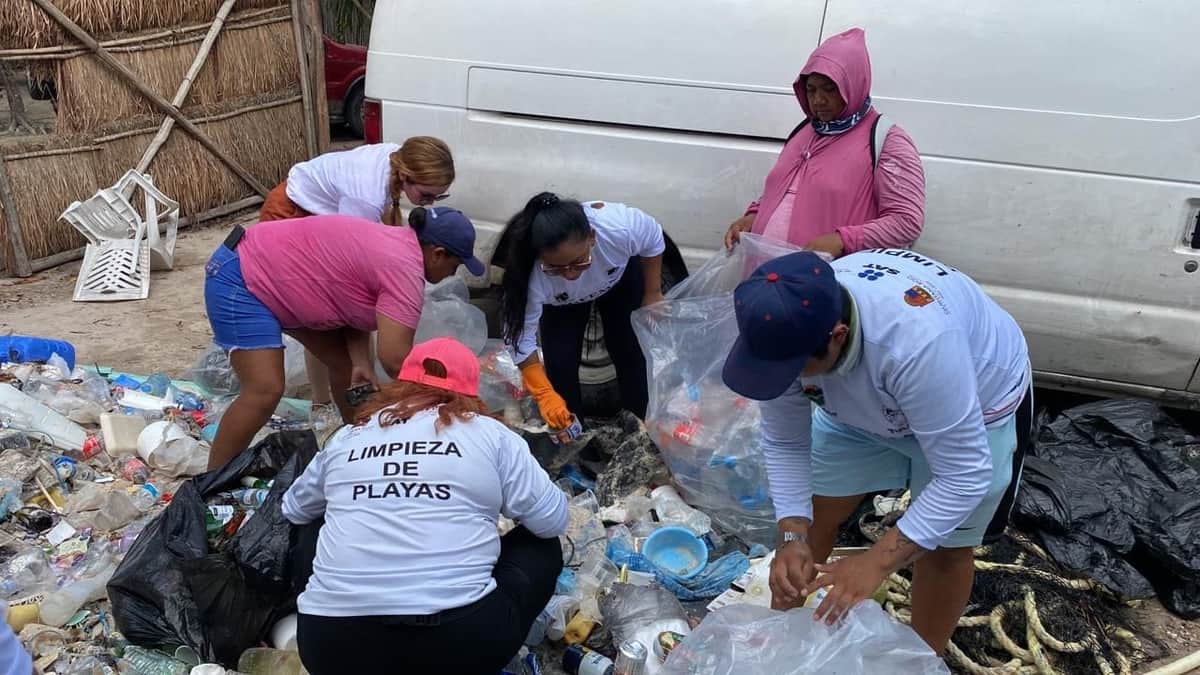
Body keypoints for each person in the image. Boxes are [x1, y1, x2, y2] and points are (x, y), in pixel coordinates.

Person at [721, 249, 1031, 654]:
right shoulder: (784, 327)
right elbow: (785, 440)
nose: (784, 381)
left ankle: (921, 659)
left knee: (943, 547)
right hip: (854, 409)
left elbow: (963, 476)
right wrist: (791, 533)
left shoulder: (917, 344)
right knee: (814, 515)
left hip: (975, 406)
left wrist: (877, 562)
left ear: (837, 336)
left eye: (793, 371)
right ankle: (782, 643)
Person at [282, 337, 567, 675]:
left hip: (332, 648)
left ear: (401, 383)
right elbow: (552, 521)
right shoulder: (492, 434)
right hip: (458, 647)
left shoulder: (349, 436)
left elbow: (294, 508)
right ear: (470, 390)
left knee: (313, 520)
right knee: (542, 547)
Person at [203, 208, 485, 469]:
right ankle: (209, 485)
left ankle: (362, 450)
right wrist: (448, 402)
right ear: (437, 254)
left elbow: (353, 300)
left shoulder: (399, 244)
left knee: (351, 370)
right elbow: (396, 359)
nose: (453, 274)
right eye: (456, 264)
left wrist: (361, 360)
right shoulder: (405, 267)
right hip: (241, 277)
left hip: (280, 277)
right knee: (265, 389)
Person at [258, 136, 456, 411]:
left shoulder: (399, 158)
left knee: (334, 321)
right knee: (320, 316)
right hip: (292, 211)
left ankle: (336, 397)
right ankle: (325, 403)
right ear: (405, 175)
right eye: (426, 196)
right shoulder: (366, 196)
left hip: (322, 212)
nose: (430, 204)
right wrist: (362, 359)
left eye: (439, 196)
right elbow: (352, 276)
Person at [723, 28, 925, 259]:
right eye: (811, 90)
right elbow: (785, 191)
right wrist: (753, 216)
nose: (818, 100)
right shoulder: (805, 131)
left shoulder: (887, 141)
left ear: (854, 85)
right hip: (770, 281)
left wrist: (843, 239)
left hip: (824, 283)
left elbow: (906, 221)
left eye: (830, 89)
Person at [501, 192, 667, 427]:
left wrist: (653, 292)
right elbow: (519, 338)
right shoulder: (527, 276)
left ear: (592, 237)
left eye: (579, 262)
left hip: (617, 280)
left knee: (630, 350)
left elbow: (653, 238)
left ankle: (639, 426)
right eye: (557, 268)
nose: (570, 274)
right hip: (562, 303)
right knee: (560, 362)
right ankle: (571, 437)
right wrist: (544, 394)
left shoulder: (618, 228)